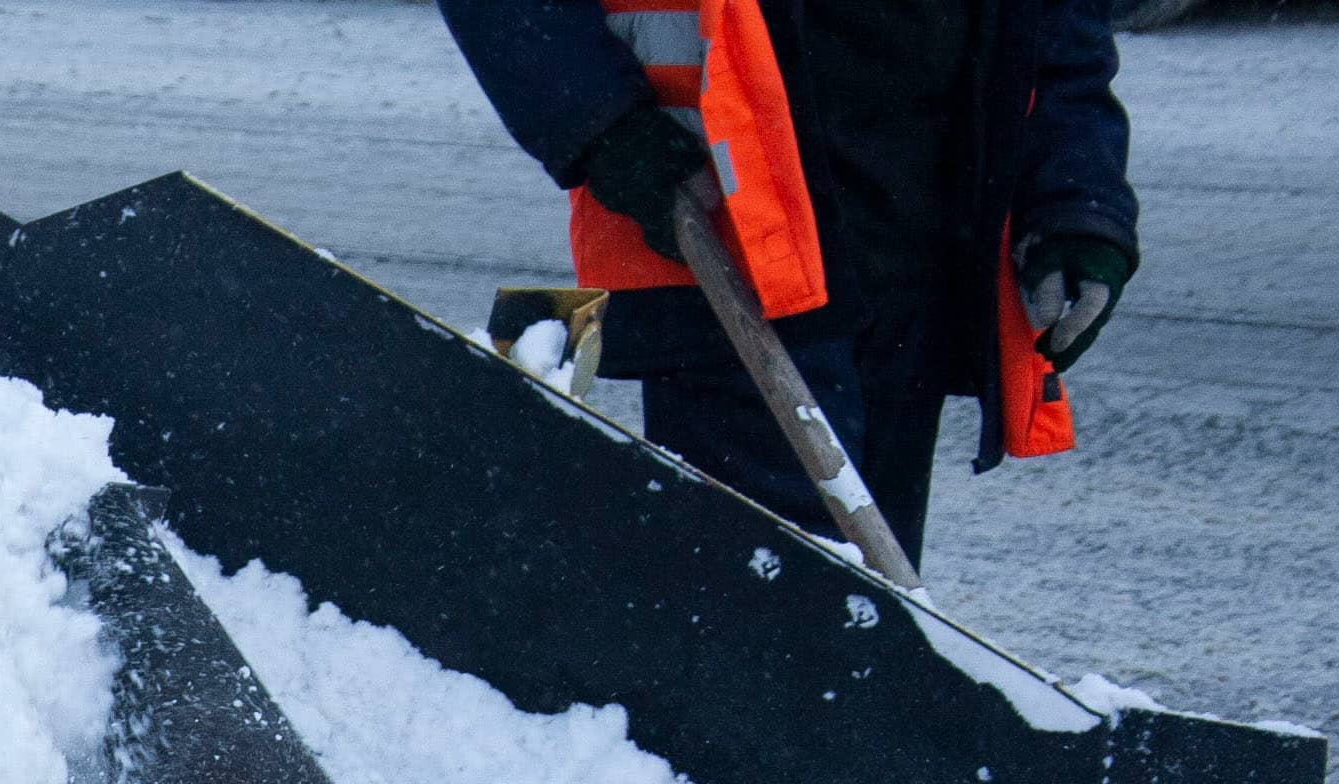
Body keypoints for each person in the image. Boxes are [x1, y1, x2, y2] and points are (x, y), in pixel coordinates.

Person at [441, 0, 1141, 566]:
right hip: (728, 244)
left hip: (918, 259)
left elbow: (1052, 33)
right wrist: (600, 121)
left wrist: (1076, 203)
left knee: (867, 617)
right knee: (766, 610)